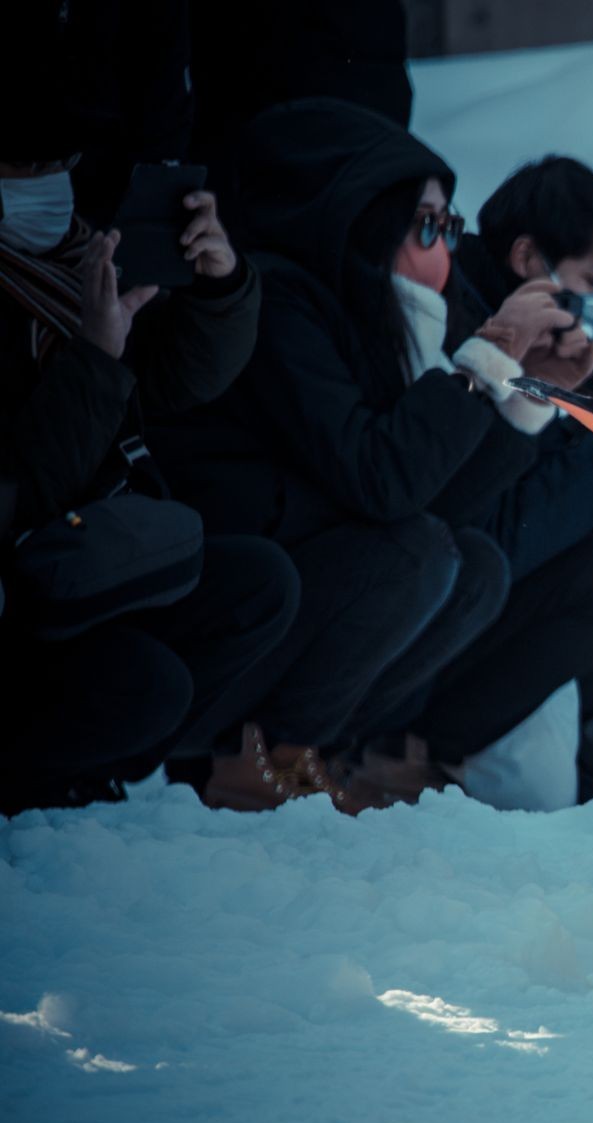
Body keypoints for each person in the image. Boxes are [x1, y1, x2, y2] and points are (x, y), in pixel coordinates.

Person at [155, 98, 578, 811]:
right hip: (235, 594)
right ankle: (251, 757)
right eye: (428, 223)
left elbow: (440, 502)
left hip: (307, 575)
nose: (444, 243)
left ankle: (307, 752)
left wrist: (527, 396)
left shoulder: (395, 317)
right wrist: (490, 355)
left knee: (474, 567)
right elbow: (381, 481)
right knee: (417, 557)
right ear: (361, 215)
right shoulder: (286, 300)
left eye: (451, 224)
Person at [0, 44, 298, 816]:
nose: (47, 187)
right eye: (24, 171)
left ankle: (104, 778)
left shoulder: (74, 260)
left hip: (93, 552)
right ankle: (37, 788)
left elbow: (175, 378)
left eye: (57, 164)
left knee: (261, 587)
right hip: (27, 584)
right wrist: (95, 360)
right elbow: (23, 487)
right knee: (147, 684)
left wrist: (220, 286)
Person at [417, 154, 593, 805]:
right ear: (526, 258)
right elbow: (496, 528)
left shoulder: (552, 344)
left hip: (465, 627)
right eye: (591, 281)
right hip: (426, 637)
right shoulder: (460, 336)